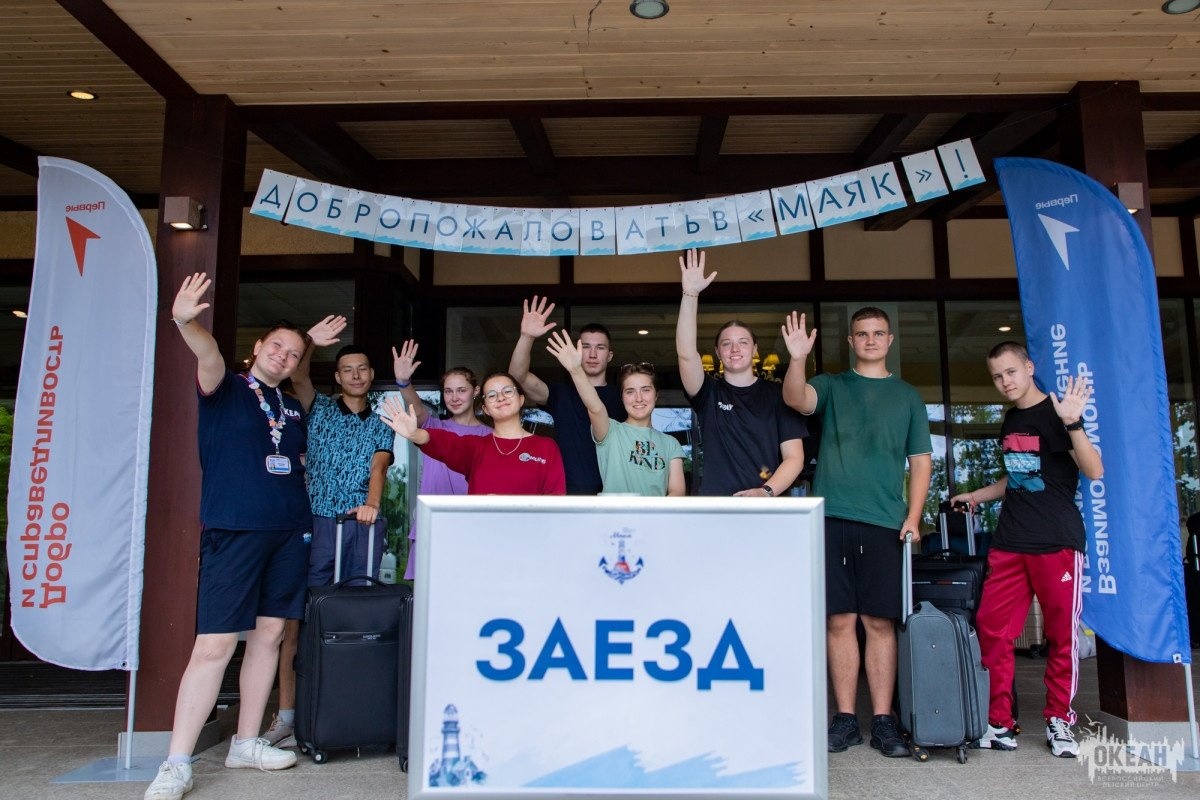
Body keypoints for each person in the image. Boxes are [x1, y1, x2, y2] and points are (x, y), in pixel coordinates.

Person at [145, 274, 339, 800]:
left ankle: (246, 742)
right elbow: (205, 351)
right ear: (256, 348)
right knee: (213, 646)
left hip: (288, 532)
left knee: (270, 637)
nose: (282, 355)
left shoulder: (289, 407)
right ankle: (177, 762)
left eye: (292, 351)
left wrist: (311, 350)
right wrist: (185, 319)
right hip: (234, 531)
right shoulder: (224, 386)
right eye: (275, 346)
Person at [781, 306, 932, 759]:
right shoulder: (831, 384)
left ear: (889, 341)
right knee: (839, 620)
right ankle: (845, 718)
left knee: (880, 623)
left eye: (878, 333)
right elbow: (796, 400)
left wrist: (914, 515)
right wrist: (795, 359)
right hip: (832, 518)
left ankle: (883, 721)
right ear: (851, 342)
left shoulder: (908, 397)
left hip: (886, 521)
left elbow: (921, 461)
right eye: (861, 333)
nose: (869, 340)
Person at [950, 341, 1102, 758]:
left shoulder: (1059, 413)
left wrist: (1072, 423)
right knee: (993, 632)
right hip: (1010, 542)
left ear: (1029, 367)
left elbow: (1094, 469)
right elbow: (1019, 478)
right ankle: (999, 723)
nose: (1005, 382)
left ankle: (1059, 722)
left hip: (1057, 543)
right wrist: (978, 495)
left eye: (1011, 372)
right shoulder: (1012, 418)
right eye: (997, 376)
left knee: (1061, 638)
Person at [264, 335, 396, 750]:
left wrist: (371, 504)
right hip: (317, 520)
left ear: (372, 376)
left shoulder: (382, 420)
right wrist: (310, 343)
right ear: (337, 377)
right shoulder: (317, 406)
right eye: (348, 370)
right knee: (298, 619)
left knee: (357, 611)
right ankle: (287, 714)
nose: (356, 375)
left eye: (363, 369)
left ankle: (353, 707)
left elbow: (379, 465)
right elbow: (298, 372)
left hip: (361, 522)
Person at [675, 249, 807, 498]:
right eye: (726, 343)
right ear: (717, 352)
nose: (735, 349)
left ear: (755, 349)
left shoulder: (779, 395)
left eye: (743, 342)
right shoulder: (708, 393)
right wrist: (690, 294)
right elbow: (685, 353)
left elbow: (794, 457)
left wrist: (765, 491)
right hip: (716, 508)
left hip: (764, 509)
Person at [392, 339, 490, 579]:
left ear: (475, 391)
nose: (454, 397)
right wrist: (404, 382)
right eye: (448, 391)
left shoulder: (491, 437)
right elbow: (416, 407)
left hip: (473, 529)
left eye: (461, 390)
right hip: (434, 526)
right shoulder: (433, 427)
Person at [509, 296, 626, 494]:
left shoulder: (624, 397)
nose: (592, 354)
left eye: (600, 348)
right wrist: (527, 337)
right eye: (586, 347)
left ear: (610, 355)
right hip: (565, 492)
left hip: (614, 492)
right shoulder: (560, 394)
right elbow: (517, 378)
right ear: (576, 352)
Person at [546, 330, 685, 496]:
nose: (638, 398)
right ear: (622, 397)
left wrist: (652, 518)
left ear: (656, 395)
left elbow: (677, 491)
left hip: (653, 520)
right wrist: (575, 369)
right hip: (611, 519)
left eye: (646, 390)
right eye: (630, 391)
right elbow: (595, 407)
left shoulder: (671, 444)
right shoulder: (611, 431)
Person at [379, 372, 566, 496]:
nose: (500, 397)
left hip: (531, 544)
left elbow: (556, 501)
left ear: (521, 398)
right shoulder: (477, 447)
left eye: (508, 391)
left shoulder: (546, 447)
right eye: (492, 395)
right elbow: (447, 444)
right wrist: (415, 434)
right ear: (485, 408)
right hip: (480, 542)